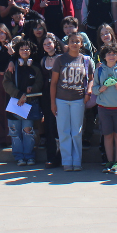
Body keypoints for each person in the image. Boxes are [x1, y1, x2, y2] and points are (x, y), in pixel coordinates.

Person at [50, 33, 94, 171]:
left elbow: (91, 79)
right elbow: (54, 83)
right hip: (61, 99)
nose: (75, 43)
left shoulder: (85, 60)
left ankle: (77, 161)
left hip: (78, 99)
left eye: (77, 41)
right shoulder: (60, 60)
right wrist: (53, 102)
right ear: (68, 44)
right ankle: (67, 161)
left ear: (81, 44)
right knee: (63, 131)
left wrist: (88, 92)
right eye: (72, 41)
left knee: (77, 131)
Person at [92, 43, 117, 174]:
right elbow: (93, 89)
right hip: (104, 107)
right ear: (104, 56)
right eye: (108, 54)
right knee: (107, 135)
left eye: (113, 54)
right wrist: (100, 89)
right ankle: (109, 162)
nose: (111, 56)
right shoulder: (99, 70)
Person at [3, 39, 43, 166]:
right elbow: (6, 83)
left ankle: (29, 155)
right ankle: (19, 156)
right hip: (14, 103)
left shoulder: (35, 67)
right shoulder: (12, 66)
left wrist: (32, 90)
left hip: (29, 104)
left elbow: (39, 82)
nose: (24, 51)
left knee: (27, 131)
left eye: (27, 49)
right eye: (22, 49)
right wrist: (19, 94)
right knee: (15, 132)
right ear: (18, 52)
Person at [39, 33, 64, 168]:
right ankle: (51, 156)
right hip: (46, 97)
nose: (48, 46)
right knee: (49, 126)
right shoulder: (43, 60)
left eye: (50, 43)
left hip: (60, 95)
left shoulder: (61, 58)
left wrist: (55, 36)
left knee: (59, 126)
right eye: (45, 44)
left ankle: (61, 156)